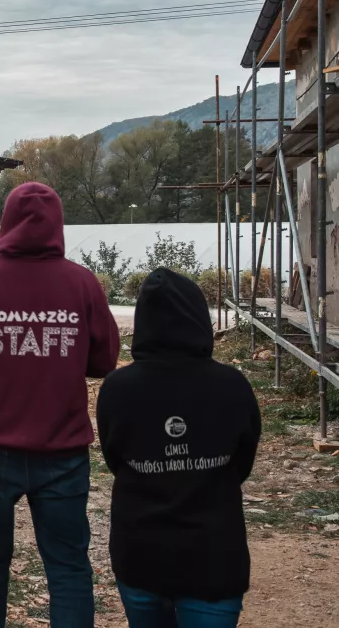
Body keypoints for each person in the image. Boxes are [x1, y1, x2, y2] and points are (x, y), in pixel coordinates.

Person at [0, 182, 120, 628]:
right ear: (58, 224)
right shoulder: (81, 282)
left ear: (7, 224)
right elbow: (104, 359)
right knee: (68, 565)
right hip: (62, 449)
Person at [97, 269, 260, 628]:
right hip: (214, 557)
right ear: (199, 319)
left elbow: (115, 458)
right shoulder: (232, 386)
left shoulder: (118, 388)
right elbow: (242, 463)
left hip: (139, 552)